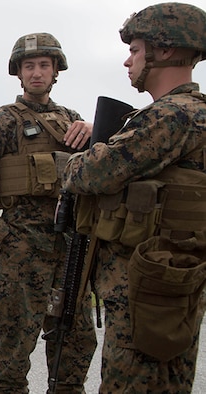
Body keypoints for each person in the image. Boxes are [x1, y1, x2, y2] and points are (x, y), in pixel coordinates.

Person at [63, 3, 206, 392]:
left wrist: (78, 157)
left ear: (163, 51)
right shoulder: (188, 114)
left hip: (141, 289)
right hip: (167, 281)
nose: (128, 62)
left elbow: (91, 173)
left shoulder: (171, 116)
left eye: (135, 51)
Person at [0, 33, 97, 393]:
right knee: (15, 344)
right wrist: (0, 236)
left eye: (44, 66)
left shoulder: (74, 122)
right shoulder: (2, 122)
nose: (37, 73)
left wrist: (97, 134)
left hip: (71, 246)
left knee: (76, 339)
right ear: (18, 73)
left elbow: (104, 171)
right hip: (24, 247)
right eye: (29, 66)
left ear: (55, 72)